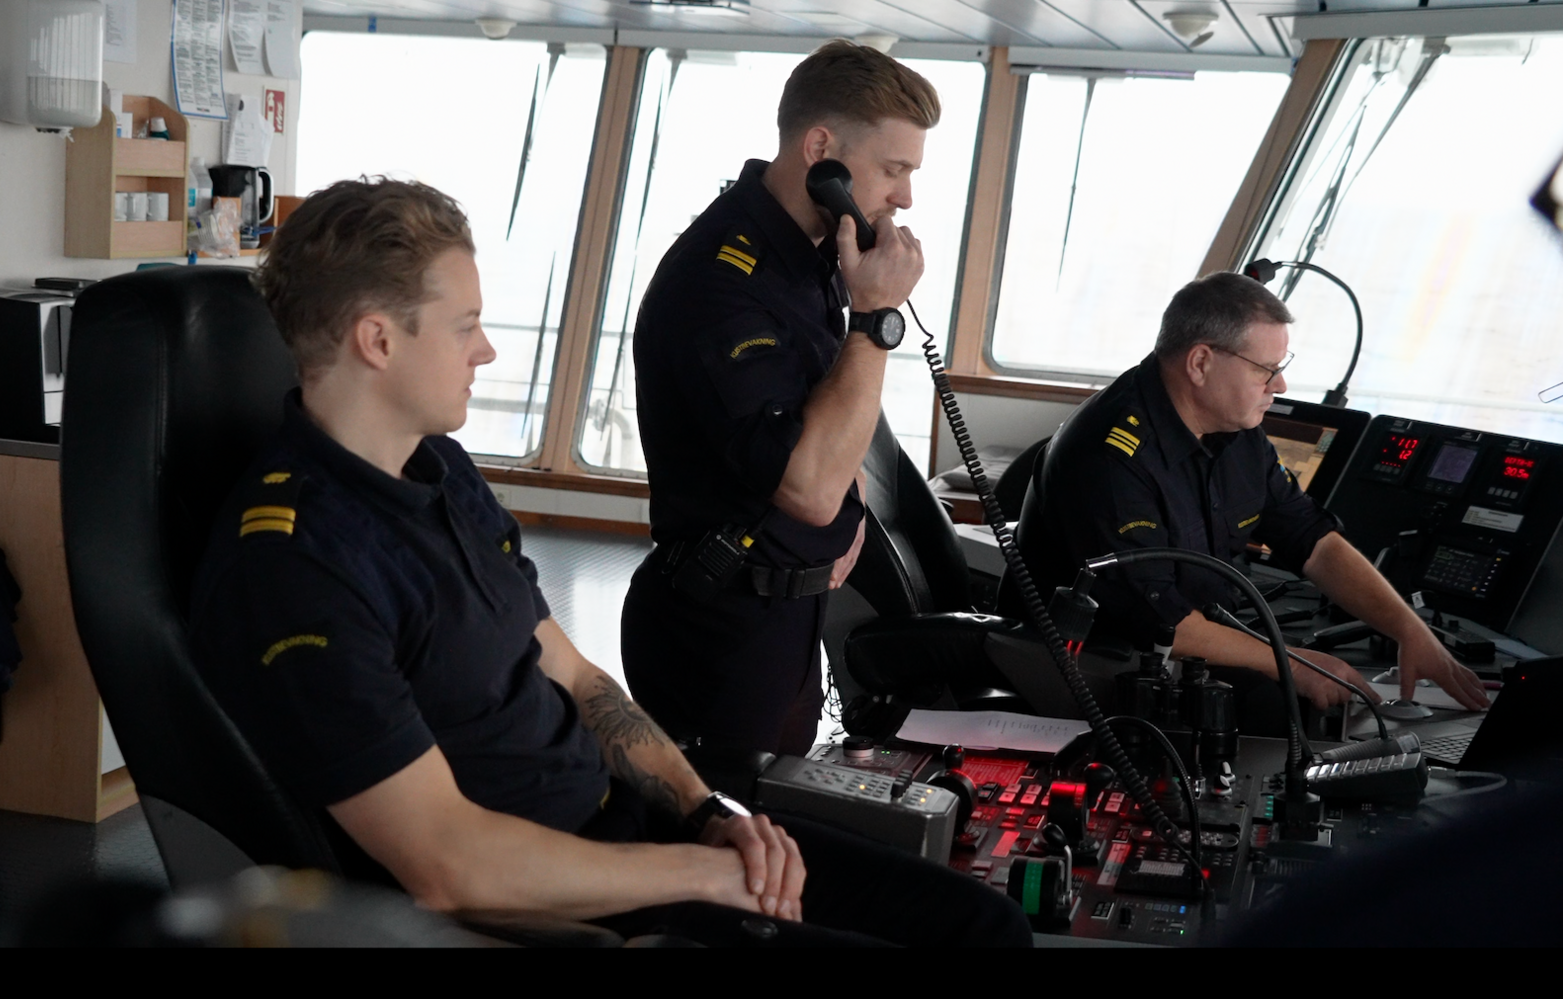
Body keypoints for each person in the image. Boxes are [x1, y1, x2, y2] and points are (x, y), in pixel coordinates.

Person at [187, 177, 1028, 947]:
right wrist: (702, 873)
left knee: (983, 925)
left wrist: (706, 811)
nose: (485, 352)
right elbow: (447, 863)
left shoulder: (438, 471)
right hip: (561, 907)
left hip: (638, 833)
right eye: (466, 326)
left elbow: (577, 675)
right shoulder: (296, 564)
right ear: (376, 340)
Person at [623, 40, 932, 756]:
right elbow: (806, 488)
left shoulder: (814, 257)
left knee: (780, 826)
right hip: (718, 626)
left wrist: (851, 507)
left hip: (789, 612)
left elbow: (821, 409)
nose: (906, 197)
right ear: (820, 149)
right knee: (725, 843)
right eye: (895, 169)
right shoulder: (722, 280)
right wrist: (876, 319)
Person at [1015, 272, 1489, 730]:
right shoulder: (1111, 458)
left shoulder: (1235, 431)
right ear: (1200, 363)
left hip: (1189, 649)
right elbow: (1165, 624)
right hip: (1091, 674)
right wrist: (1291, 662)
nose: (1279, 386)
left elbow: (1313, 542)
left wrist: (1408, 629)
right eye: (1267, 369)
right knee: (1296, 713)